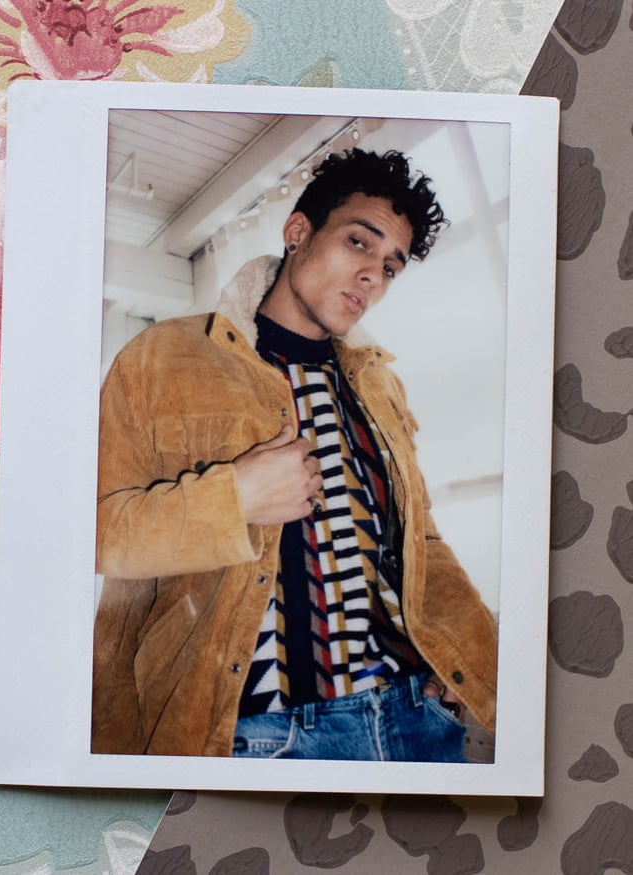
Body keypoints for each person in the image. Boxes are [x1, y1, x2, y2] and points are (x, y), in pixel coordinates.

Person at [91, 148, 498, 762]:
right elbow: (91, 532)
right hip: (255, 738)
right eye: (359, 242)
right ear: (298, 232)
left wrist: (465, 658)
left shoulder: (380, 385)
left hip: (413, 719)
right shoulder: (161, 358)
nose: (373, 276)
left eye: (391, 266)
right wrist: (234, 500)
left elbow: (421, 543)